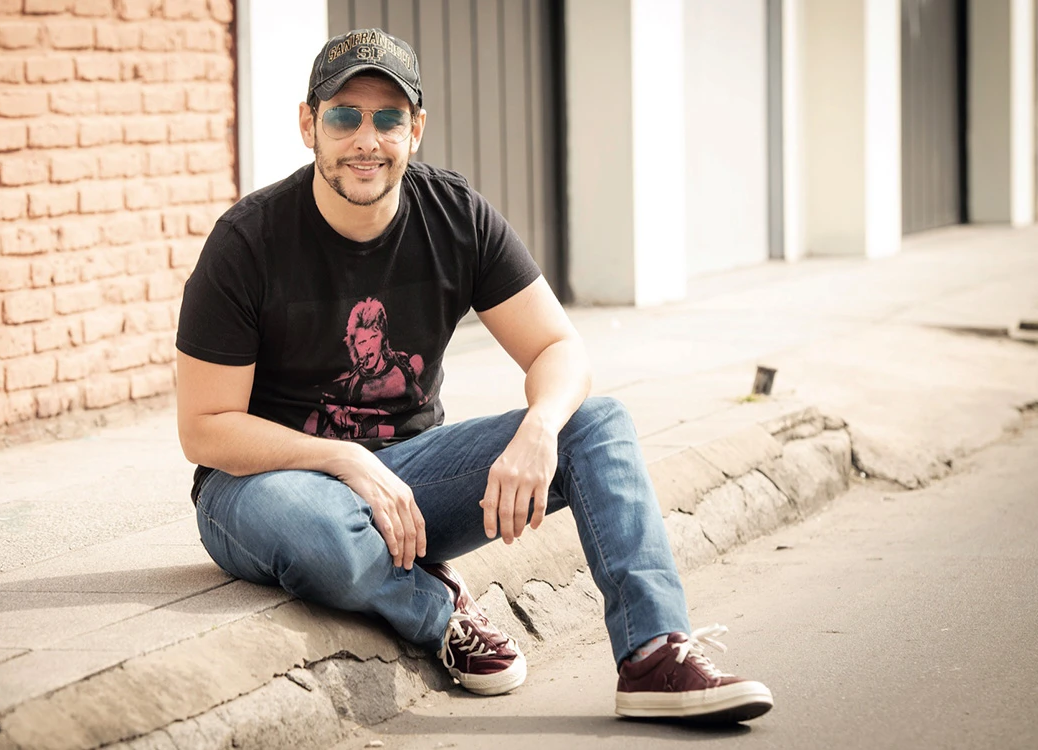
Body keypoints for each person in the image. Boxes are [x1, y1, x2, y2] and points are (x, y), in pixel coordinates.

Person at [175, 27, 773, 721]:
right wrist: (343, 459)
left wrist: (539, 429)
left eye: (388, 117)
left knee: (596, 422)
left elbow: (559, 348)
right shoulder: (248, 242)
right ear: (309, 125)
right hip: (264, 486)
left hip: (408, 478)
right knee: (322, 529)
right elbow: (205, 430)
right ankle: (441, 612)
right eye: (344, 116)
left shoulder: (453, 217)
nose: (367, 139)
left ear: (416, 129)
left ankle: (654, 657)